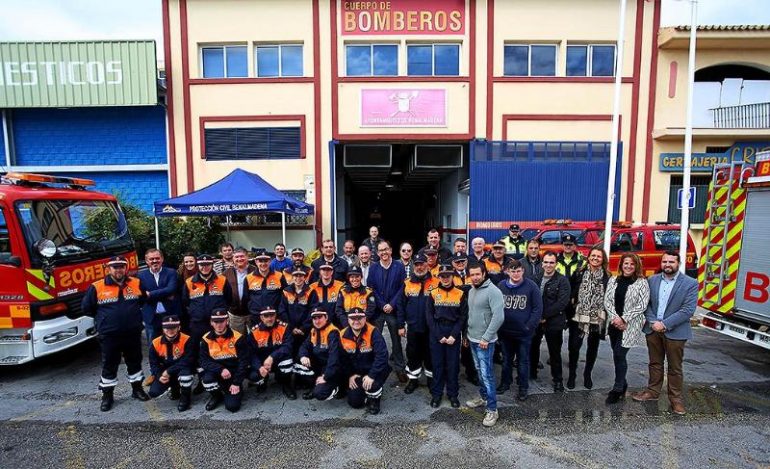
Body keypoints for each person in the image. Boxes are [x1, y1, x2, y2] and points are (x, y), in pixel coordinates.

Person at [632, 251, 698, 416]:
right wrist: (653, 322)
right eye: (665, 262)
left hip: (676, 332)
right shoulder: (652, 280)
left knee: (675, 367)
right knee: (655, 363)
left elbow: (688, 310)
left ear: (678, 264)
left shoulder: (690, 283)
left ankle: (675, 399)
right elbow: (646, 304)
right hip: (653, 329)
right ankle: (652, 392)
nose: (667, 265)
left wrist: (665, 324)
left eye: (671, 262)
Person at [82, 255, 150, 412]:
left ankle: (137, 389)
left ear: (126, 268)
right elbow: (87, 308)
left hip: (132, 333)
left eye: (121, 266)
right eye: (115, 267)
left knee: (135, 361)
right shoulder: (97, 286)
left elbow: (142, 301)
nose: (118, 269)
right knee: (110, 365)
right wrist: (105, 320)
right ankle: (107, 396)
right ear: (108, 269)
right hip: (109, 335)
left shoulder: (136, 283)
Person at [182, 254, 232, 394]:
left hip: (218, 324)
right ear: (198, 265)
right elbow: (185, 302)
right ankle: (202, 380)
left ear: (212, 265)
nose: (205, 267)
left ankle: (222, 377)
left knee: (220, 350)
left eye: (208, 264)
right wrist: (196, 313)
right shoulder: (189, 282)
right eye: (202, 265)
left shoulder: (222, 280)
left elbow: (228, 299)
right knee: (200, 352)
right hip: (198, 325)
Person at [604, 253, 650, 404]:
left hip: (629, 326)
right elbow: (607, 301)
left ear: (636, 266)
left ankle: (617, 389)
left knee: (619, 353)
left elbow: (642, 305)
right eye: (626, 263)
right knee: (616, 355)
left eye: (632, 264)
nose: (628, 266)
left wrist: (624, 319)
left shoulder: (642, 283)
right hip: (614, 324)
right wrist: (615, 318)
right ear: (621, 265)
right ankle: (622, 383)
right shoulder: (613, 280)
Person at [464, 262, 504, 427]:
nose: (474, 277)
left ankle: (492, 409)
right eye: (472, 274)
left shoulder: (493, 291)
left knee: (487, 375)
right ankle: (483, 397)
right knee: (480, 371)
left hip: (484, 342)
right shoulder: (472, 290)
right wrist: (467, 334)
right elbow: (471, 314)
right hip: (473, 338)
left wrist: (486, 338)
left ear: (484, 274)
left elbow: (498, 317)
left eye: (477, 274)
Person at [496, 259, 543, 400]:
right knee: (506, 360)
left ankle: (523, 388)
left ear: (522, 271)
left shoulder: (531, 286)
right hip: (505, 332)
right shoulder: (501, 286)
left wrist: (529, 326)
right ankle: (505, 383)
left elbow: (537, 308)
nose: (515, 274)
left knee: (523, 361)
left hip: (524, 333)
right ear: (507, 272)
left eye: (518, 271)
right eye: (513, 271)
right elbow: (495, 306)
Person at [567, 247, 610, 390]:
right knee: (574, 346)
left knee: (593, 347)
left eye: (599, 256)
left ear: (603, 259)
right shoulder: (579, 272)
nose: (595, 258)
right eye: (593, 255)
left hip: (597, 317)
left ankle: (587, 374)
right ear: (589, 257)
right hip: (578, 315)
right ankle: (572, 374)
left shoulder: (607, 277)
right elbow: (571, 291)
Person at [426, 264, 468, 408]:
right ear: (439, 277)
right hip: (437, 331)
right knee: (437, 365)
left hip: (453, 331)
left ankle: (453, 394)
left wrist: (454, 335)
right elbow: (429, 317)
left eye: (448, 276)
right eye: (442, 276)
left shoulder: (460, 293)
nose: (445, 278)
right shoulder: (433, 293)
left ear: (452, 276)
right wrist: (439, 336)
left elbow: (463, 317)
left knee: (453, 366)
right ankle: (437, 395)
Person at [529, 252, 571, 392]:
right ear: (542, 264)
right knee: (533, 348)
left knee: (554, 352)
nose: (548, 265)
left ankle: (558, 380)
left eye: (551, 262)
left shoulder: (562, 280)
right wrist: (536, 316)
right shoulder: (535, 278)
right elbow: (530, 298)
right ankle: (532, 372)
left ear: (556, 264)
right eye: (546, 262)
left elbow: (562, 303)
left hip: (554, 321)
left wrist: (544, 315)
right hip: (536, 321)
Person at [397, 254, 439, 394]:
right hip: (413, 327)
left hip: (430, 327)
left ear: (427, 264)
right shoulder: (407, 283)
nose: (419, 267)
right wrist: (400, 325)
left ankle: (431, 380)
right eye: (417, 264)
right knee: (413, 354)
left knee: (430, 354)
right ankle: (413, 380)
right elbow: (401, 305)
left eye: (422, 264)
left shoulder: (436, 282)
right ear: (413, 266)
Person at [367, 240, 408, 383]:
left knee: (396, 340)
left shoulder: (399, 266)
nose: (383, 252)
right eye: (380, 250)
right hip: (378, 310)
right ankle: (376, 367)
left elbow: (402, 288)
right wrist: (382, 304)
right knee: (375, 339)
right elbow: (371, 288)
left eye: (386, 249)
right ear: (377, 253)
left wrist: (392, 304)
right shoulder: (373, 268)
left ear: (390, 250)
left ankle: (400, 368)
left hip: (393, 310)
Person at [340, 308, 391, 414]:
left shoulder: (373, 332)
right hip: (356, 373)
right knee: (355, 403)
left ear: (365, 319)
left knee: (373, 385)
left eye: (359, 318)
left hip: (373, 370)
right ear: (348, 320)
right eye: (353, 318)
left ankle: (375, 399)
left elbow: (382, 356)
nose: (356, 321)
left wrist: (371, 375)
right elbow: (341, 359)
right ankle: (362, 391)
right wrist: (350, 375)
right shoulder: (342, 335)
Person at [199, 308, 249, 412]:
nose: (219, 325)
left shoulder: (238, 337)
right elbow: (204, 361)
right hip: (217, 373)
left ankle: (234, 390)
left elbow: (243, 362)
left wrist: (236, 382)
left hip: (233, 375)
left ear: (227, 321)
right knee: (207, 380)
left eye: (222, 321)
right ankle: (217, 396)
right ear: (211, 322)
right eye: (216, 322)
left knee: (232, 407)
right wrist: (220, 369)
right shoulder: (205, 339)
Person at [279, 266, 317, 390]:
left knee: (304, 354)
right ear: (292, 277)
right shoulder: (286, 291)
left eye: (301, 276)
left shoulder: (311, 291)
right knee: (290, 353)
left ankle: (302, 379)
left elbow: (313, 311)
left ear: (305, 277)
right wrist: (291, 328)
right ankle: (289, 381)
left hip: (304, 331)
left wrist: (303, 328)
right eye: (296, 276)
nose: (298, 278)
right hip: (290, 331)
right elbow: (282, 311)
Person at [147, 315, 194, 412]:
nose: (170, 330)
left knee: (186, 377)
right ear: (163, 329)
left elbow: (188, 360)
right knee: (154, 392)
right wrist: (159, 376)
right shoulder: (155, 343)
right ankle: (174, 388)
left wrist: (169, 371)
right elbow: (154, 364)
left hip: (182, 369)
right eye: (167, 328)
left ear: (179, 327)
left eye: (173, 328)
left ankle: (185, 398)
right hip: (165, 372)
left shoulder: (187, 339)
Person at [247, 307, 295, 399]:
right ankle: (263, 381)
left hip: (277, 360)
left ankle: (286, 384)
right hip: (262, 363)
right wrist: (259, 367)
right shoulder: (254, 331)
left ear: (275, 315)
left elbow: (288, 346)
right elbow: (251, 353)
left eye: (272, 315)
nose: (270, 318)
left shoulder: (284, 327)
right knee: (253, 375)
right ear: (261, 317)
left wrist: (272, 357)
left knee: (287, 361)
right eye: (266, 316)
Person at [296, 308, 343, 401]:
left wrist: (325, 377)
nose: (317, 321)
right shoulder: (313, 330)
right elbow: (304, 346)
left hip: (332, 368)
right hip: (319, 364)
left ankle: (337, 387)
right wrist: (303, 356)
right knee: (298, 360)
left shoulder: (333, 332)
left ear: (326, 317)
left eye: (320, 317)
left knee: (319, 394)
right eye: (314, 318)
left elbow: (334, 359)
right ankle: (314, 385)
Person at [139, 248, 180, 344]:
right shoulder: (140, 276)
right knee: (153, 345)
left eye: (157, 258)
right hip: (151, 316)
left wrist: (150, 294)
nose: (154, 261)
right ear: (146, 261)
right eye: (151, 259)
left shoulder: (171, 272)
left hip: (170, 314)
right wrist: (165, 293)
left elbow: (171, 289)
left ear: (162, 259)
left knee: (174, 344)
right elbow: (142, 296)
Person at [451, 252, 478, 386]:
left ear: (466, 262)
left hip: (471, 313)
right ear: (453, 263)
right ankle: (453, 373)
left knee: (468, 342)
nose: (460, 264)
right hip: (454, 314)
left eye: (462, 261)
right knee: (453, 343)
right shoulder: (450, 275)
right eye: (457, 262)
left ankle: (471, 372)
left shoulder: (472, 274)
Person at [246, 248, 287, 327]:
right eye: (260, 261)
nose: (263, 263)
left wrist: (281, 313)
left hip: (275, 316)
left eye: (266, 260)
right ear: (256, 262)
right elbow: (246, 298)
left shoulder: (279, 276)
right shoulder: (249, 278)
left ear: (270, 261)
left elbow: (285, 296)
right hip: (256, 317)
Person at [224, 247, 255, 335]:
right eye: (236, 257)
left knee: (255, 338)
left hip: (252, 313)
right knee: (238, 339)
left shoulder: (255, 271)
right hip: (235, 314)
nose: (239, 259)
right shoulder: (226, 273)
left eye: (242, 256)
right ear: (233, 259)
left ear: (247, 257)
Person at [309, 262, 345, 328]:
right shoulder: (312, 287)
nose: (326, 272)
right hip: (318, 323)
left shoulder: (340, 286)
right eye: (323, 270)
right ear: (320, 272)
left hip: (337, 324)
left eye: (328, 270)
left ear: (332, 272)